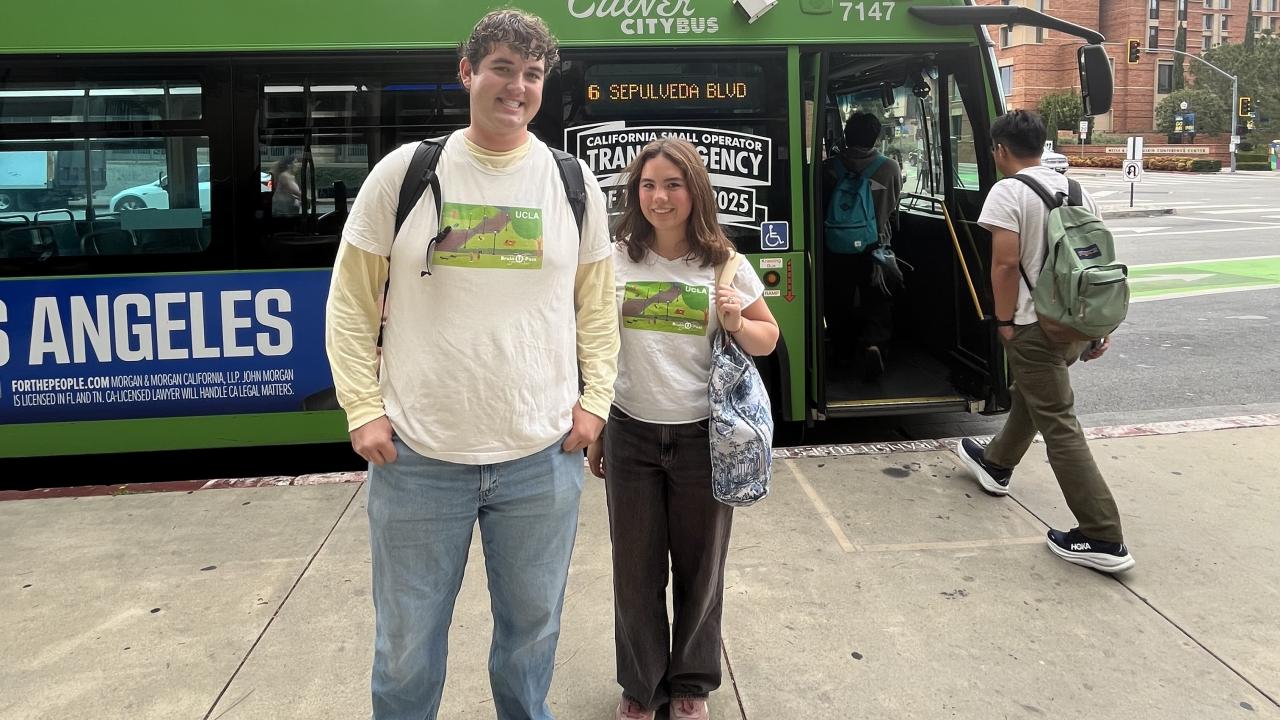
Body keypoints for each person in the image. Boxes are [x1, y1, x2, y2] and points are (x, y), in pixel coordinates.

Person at [323, 9, 619, 719]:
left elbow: (599, 310)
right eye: (502, 69)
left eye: (532, 74)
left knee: (532, 636)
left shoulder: (573, 184)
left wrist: (595, 403)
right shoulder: (406, 173)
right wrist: (362, 410)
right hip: (419, 460)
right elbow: (350, 304)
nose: (516, 87)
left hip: (540, 459)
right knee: (406, 644)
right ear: (468, 72)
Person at [587, 138, 779, 720]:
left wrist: (735, 321)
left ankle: (691, 682)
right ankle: (642, 685)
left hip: (702, 438)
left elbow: (768, 339)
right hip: (631, 433)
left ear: (694, 191)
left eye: (672, 184)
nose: (659, 197)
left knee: (702, 567)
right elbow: (595, 347)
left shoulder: (725, 262)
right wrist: (596, 427)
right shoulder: (614, 258)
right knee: (634, 569)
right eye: (648, 185)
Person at [955, 109, 1134, 574]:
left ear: (999, 149)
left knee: (1058, 421)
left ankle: (1102, 536)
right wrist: (1099, 329)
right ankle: (996, 464)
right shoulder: (1077, 190)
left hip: (1034, 325)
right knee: (1035, 398)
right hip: (1074, 322)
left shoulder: (1007, 192)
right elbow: (1096, 263)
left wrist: (1004, 321)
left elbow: (1004, 265)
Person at [822, 111, 902, 381]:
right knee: (877, 297)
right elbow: (892, 206)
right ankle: (873, 344)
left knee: (838, 299)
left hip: (834, 246)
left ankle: (843, 351)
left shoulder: (828, 168)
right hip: (875, 245)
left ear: (846, 135)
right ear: (875, 137)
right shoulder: (889, 167)